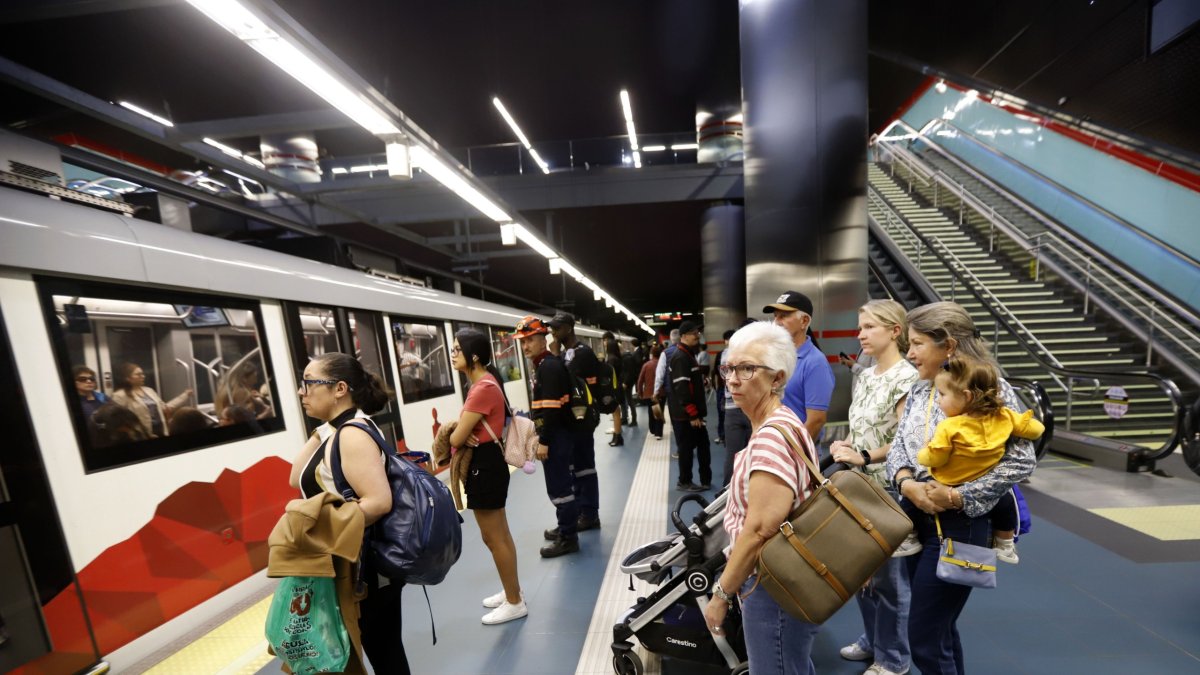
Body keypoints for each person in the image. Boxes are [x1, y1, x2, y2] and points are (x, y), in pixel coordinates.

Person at [886, 302, 1036, 675]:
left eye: (918, 343)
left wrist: (958, 496)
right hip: (917, 522)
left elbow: (1021, 461)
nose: (910, 352)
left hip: (961, 524)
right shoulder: (922, 388)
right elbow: (899, 447)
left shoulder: (989, 389)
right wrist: (907, 483)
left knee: (923, 634)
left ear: (948, 345)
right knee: (939, 629)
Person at [702, 321, 820, 675]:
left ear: (777, 378)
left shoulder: (771, 437)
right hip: (782, 581)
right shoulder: (782, 423)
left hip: (772, 586)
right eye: (729, 368)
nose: (733, 379)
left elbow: (759, 529)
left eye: (747, 368)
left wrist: (721, 596)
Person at [287, 352, 408, 674]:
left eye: (310, 383)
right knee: (367, 649)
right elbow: (294, 476)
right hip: (348, 559)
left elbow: (379, 501)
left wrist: (324, 530)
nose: (302, 392)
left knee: (384, 653)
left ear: (340, 388)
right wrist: (323, 427)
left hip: (365, 566)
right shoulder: (335, 432)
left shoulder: (352, 435)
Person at [827, 300, 920, 675]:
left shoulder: (907, 379)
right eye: (860, 326)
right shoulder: (865, 375)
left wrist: (863, 455)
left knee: (891, 581)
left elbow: (906, 444)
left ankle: (893, 658)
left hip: (889, 492)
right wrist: (845, 445)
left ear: (895, 331)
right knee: (861, 574)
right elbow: (860, 427)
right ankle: (873, 637)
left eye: (869, 327)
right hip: (858, 488)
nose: (860, 334)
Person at [894, 356, 1043, 564]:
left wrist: (924, 454)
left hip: (948, 480)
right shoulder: (1004, 416)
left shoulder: (949, 426)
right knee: (1006, 502)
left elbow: (935, 456)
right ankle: (1005, 543)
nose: (938, 400)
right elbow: (1034, 429)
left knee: (910, 502)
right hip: (981, 478)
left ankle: (908, 537)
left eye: (943, 395)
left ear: (966, 396)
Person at [449, 328, 528, 624]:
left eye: (457, 349)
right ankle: (513, 590)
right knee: (501, 535)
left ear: (475, 355)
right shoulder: (487, 382)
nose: (453, 354)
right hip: (490, 463)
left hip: (484, 465)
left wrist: (462, 433)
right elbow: (463, 433)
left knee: (494, 538)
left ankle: (514, 601)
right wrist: (465, 432)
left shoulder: (482, 387)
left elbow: (456, 438)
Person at [515, 315, 585, 558]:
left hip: (556, 438)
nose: (526, 346)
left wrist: (544, 441)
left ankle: (568, 538)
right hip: (558, 435)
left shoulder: (548, 367)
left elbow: (552, 408)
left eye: (530, 341)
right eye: (523, 342)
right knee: (560, 485)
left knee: (560, 488)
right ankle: (565, 527)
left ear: (542, 340)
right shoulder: (546, 365)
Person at [546, 312, 602, 533]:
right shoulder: (568, 354)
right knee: (574, 470)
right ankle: (580, 512)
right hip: (571, 422)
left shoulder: (582, 354)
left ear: (569, 328)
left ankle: (589, 514)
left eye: (557, 328)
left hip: (582, 421)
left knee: (584, 469)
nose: (553, 332)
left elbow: (565, 379)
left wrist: (554, 355)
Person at [763, 291, 835, 441]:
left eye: (783, 316)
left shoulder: (815, 362)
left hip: (793, 453)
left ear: (804, 321)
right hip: (772, 443)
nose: (776, 322)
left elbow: (816, 420)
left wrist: (791, 452)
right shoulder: (775, 356)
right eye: (775, 316)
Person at [668, 320, 712, 492]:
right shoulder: (680, 357)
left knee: (703, 446)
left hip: (692, 414)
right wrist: (693, 415)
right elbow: (681, 389)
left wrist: (702, 381)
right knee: (686, 450)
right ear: (684, 336)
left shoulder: (688, 354)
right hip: (686, 416)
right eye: (694, 333)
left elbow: (690, 383)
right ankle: (684, 481)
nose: (697, 335)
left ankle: (705, 480)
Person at [110, 362, 192, 437]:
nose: (143, 376)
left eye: (142, 374)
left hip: (161, 430)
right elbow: (119, 421)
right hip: (140, 435)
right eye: (138, 374)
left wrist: (185, 395)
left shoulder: (149, 391)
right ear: (127, 378)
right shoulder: (120, 395)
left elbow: (165, 408)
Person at [602, 332, 625, 446]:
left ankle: (618, 438)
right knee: (617, 413)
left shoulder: (611, 359)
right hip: (618, 387)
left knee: (615, 413)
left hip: (614, 388)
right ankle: (617, 436)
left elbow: (609, 376)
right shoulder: (616, 358)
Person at [638, 343, 664, 440]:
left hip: (649, 393)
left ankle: (653, 430)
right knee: (658, 411)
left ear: (651, 354)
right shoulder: (663, 364)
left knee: (652, 411)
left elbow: (640, 380)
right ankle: (658, 432)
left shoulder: (646, 365)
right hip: (661, 393)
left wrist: (640, 392)